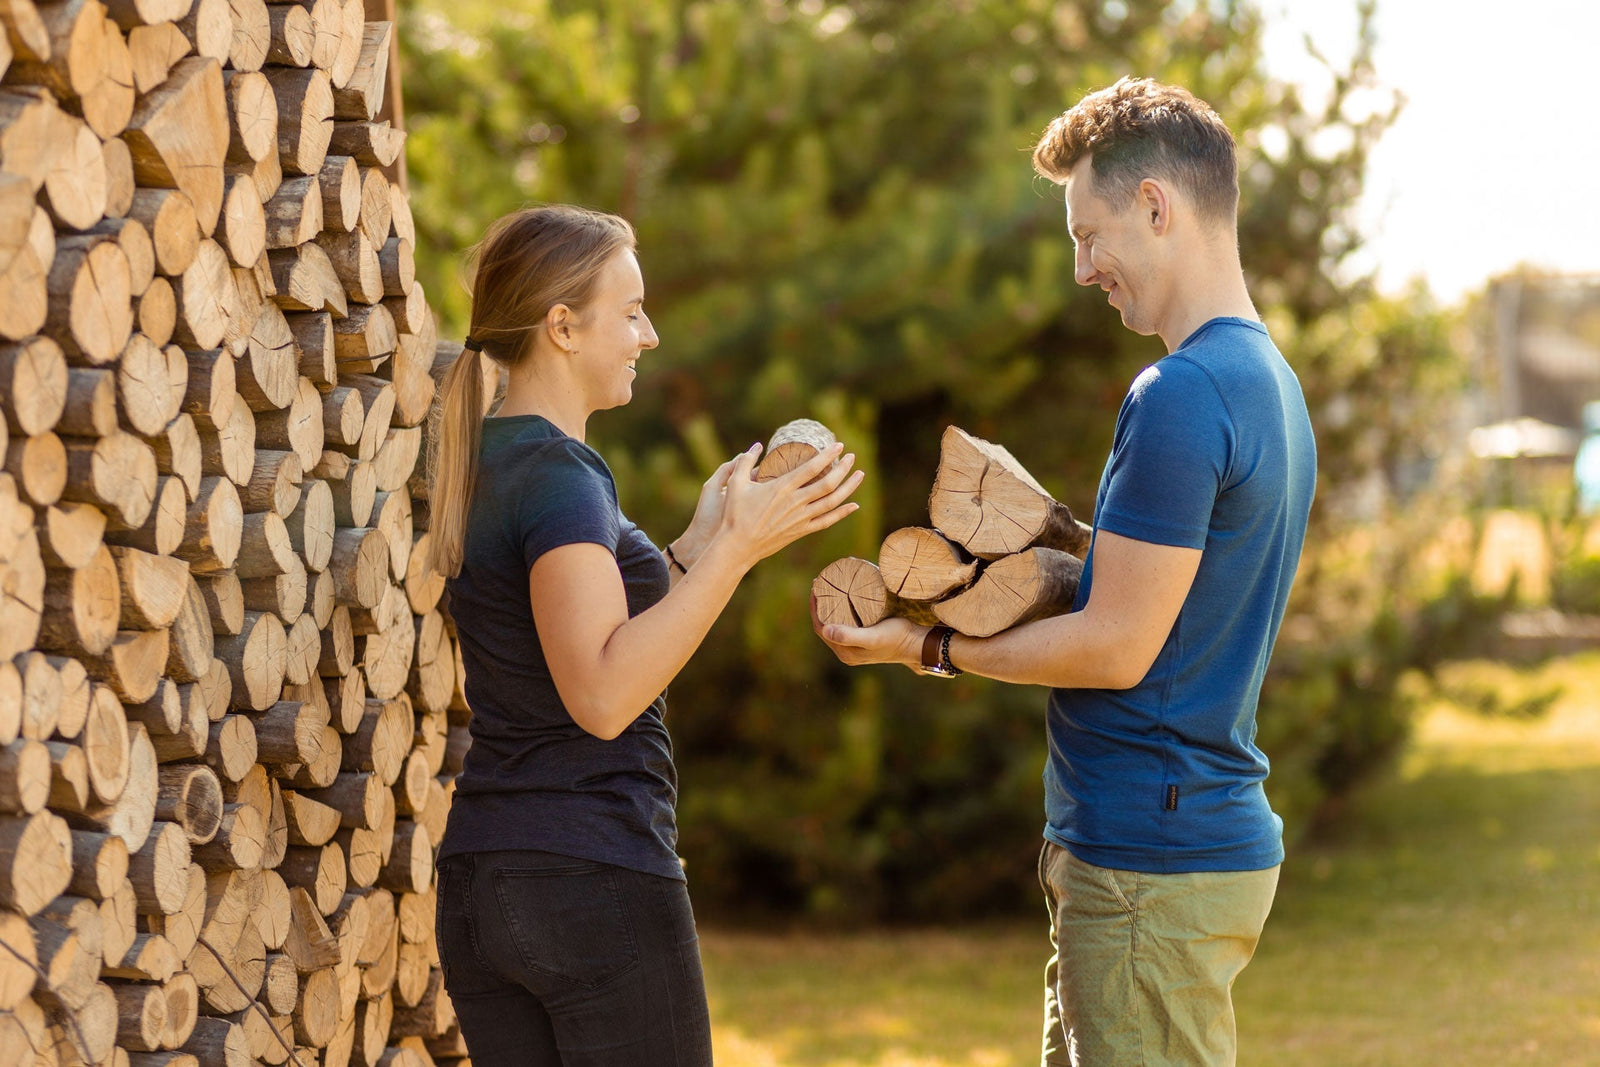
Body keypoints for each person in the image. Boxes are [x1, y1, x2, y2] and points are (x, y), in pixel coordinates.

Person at [814, 78, 1316, 1066]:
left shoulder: (1180, 392)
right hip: (1164, 853)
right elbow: (1179, 598)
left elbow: (1117, 646)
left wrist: (926, 645)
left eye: (1090, 236)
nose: (1083, 270)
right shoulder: (1268, 381)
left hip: (1146, 862)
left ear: (1156, 206)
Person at [428, 204, 864, 1066]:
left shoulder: (498, 458)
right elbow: (601, 694)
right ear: (562, 327)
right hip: (589, 876)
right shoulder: (561, 473)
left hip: (486, 875)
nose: (649, 334)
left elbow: (570, 628)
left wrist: (691, 549)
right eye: (630, 312)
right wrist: (736, 552)